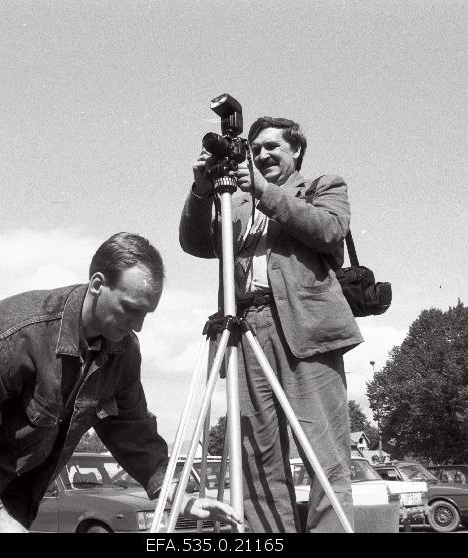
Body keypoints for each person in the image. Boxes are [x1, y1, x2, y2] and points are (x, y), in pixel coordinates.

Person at [0, 232, 239, 532]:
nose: (138, 326)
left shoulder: (123, 351)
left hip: (14, 473)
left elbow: (131, 430)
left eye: (145, 314)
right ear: (98, 285)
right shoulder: (12, 334)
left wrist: (175, 494)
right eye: (130, 309)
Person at [179, 117, 363, 532]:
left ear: (295, 150)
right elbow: (194, 243)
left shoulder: (321, 186)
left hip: (307, 329)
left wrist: (263, 191)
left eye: (272, 147)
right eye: (255, 149)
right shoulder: (236, 202)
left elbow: (330, 230)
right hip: (245, 327)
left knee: (325, 454)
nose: (262, 155)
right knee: (257, 456)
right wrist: (203, 191)